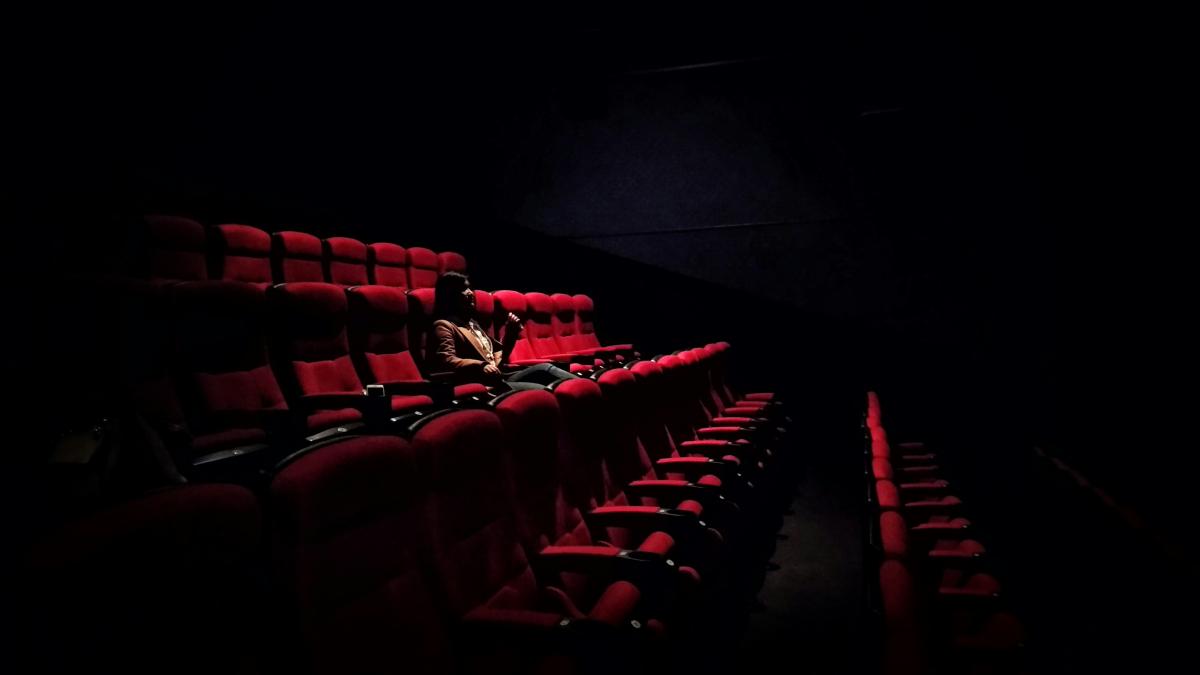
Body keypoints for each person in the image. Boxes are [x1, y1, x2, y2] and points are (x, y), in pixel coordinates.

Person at [428, 272, 576, 389]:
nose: (470, 293)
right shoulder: (444, 325)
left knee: (546, 368)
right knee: (542, 390)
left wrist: (511, 332)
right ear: (450, 296)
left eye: (469, 288)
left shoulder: (472, 323)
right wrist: (481, 365)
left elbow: (501, 356)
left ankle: (587, 388)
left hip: (500, 377)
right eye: (463, 289)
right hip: (481, 383)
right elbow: (446, 360)